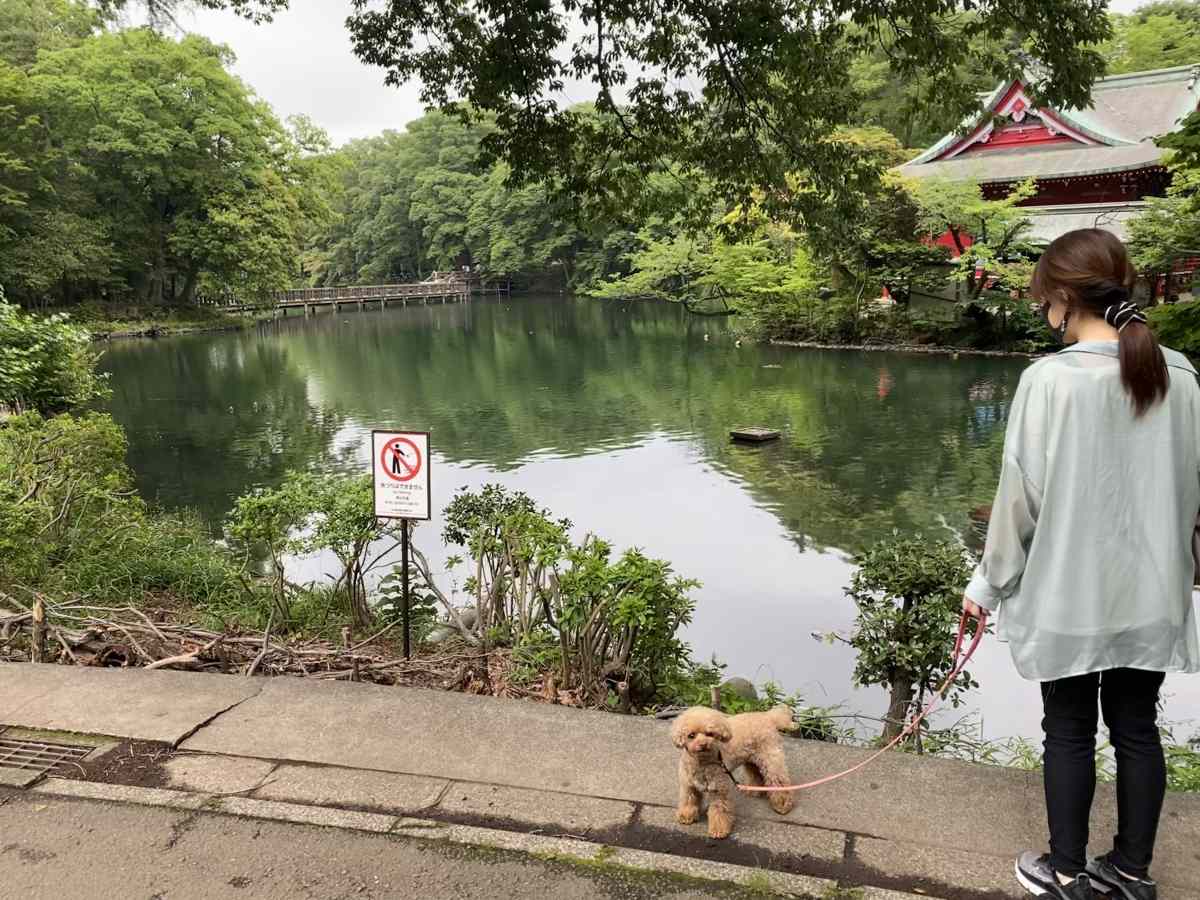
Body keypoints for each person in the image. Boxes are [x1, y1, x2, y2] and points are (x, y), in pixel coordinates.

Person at [963, 229, 1200, 900]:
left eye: (1044, 299)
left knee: (1066, 728)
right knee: (1135, 727)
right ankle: (1130, 873)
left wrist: (986, 587)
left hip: (1070, 593)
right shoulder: (1179, 374)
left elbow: (1020, 501)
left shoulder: (1050, 381)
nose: (1043, 313)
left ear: (1065, 297)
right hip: (1152, 591)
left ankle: (1065, 872)